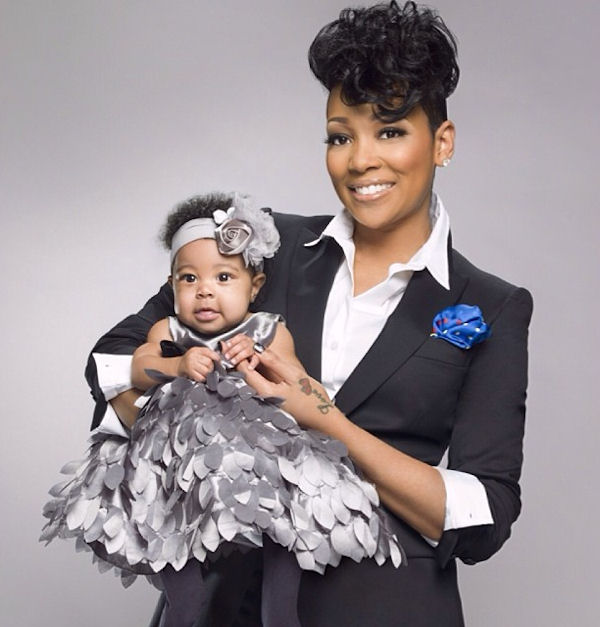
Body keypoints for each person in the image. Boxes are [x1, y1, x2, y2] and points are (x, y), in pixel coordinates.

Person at [85, 2, 533, 625]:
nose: (360, 160)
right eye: (341, 136)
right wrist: (173, 382)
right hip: (221, 607)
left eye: (391, 131)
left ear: (442, 142)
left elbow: (485, 515)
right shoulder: (264, 248)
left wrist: (323, 419)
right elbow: (110, 360)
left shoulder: (491, 305)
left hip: (386, 610)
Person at [41, 192, 402, 627]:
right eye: (189, 279)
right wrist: (176, 364)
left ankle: (280, 611)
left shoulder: (268, 330)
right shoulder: (168, 329)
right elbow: (138, 364)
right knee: (170, 538)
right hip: (180, 464)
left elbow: (300, 385)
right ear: (172, 285)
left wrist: (261, 358)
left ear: (255, 286)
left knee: (285, 524)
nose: (205, 290)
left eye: (224, 277)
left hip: (254, 462)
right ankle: (184, 604)